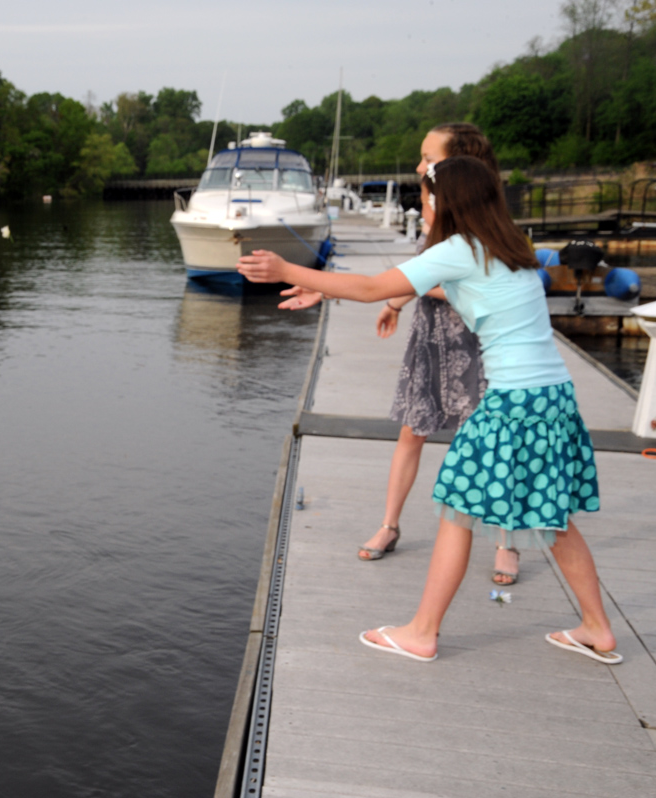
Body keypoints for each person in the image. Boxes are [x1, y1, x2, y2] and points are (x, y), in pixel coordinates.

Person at [237, 156, 619, 664]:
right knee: (554, 518)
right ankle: (597, 627)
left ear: (443, 201)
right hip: (554, 399)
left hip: (512, 405)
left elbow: (377, 286)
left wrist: (288, 270)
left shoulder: (459, 250)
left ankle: (422, 632)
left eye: (425, 195)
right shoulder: (509, 247)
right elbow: (438, 289)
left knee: (458, 509)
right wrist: (327, 289)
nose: (421, 204)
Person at [284, 123, 521, 585]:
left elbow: (464, 284)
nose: (418, 166)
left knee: (494, 444)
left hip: (478, 341)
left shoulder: (484, 219)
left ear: (457, 162)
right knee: (412, 431)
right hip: (433, 339)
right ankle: (390, 524)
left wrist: (376, 292)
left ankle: (506, 541)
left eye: (427, 157)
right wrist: (394, 301)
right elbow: (413, 274)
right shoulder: (435, 208)